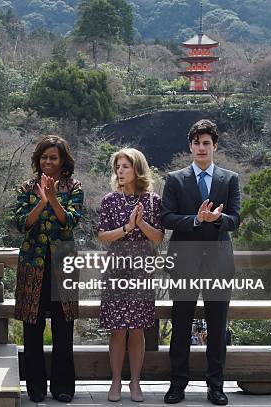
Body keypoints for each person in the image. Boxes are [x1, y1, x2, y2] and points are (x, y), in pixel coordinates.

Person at [162, 119, 241, 406]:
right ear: (190, 146)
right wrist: (196, 219)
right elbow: (166, 218)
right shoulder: (174, 178)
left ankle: (216, 385)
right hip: (184, 260)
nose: (201, 147)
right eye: (196, 143)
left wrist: (217, 218)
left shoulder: (229, 178)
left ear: (215, 146)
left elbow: (236, 218)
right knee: (181, 323)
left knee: (217, 327)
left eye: (206, 143)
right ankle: (177, 383)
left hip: (218, 262)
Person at [13, 135, 84, 403]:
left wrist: (54, 198)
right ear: (37, 159)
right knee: (32, 328)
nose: (48, 162)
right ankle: (36, 388)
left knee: (63, 328)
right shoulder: (26, 187)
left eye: (53, 157)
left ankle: (63, 387)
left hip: (63, 266)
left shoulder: (74, 187)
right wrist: (41, 201)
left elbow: (70, 221)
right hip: (32, 265)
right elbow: (21, 222)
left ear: (63, 160)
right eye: (44, 157)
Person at [97, 148, 164, 402]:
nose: (120, 171)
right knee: (117, 329)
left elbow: (158, 238)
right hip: (115, 269)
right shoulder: (109, 200)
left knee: (137, 329)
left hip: (141, 270)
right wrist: (127, 227)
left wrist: (142, 224)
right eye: (118, 167)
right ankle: (115, 382)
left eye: (125, 166)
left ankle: (136, 383)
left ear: (137, 169)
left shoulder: (152, 200)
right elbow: (103, 236)